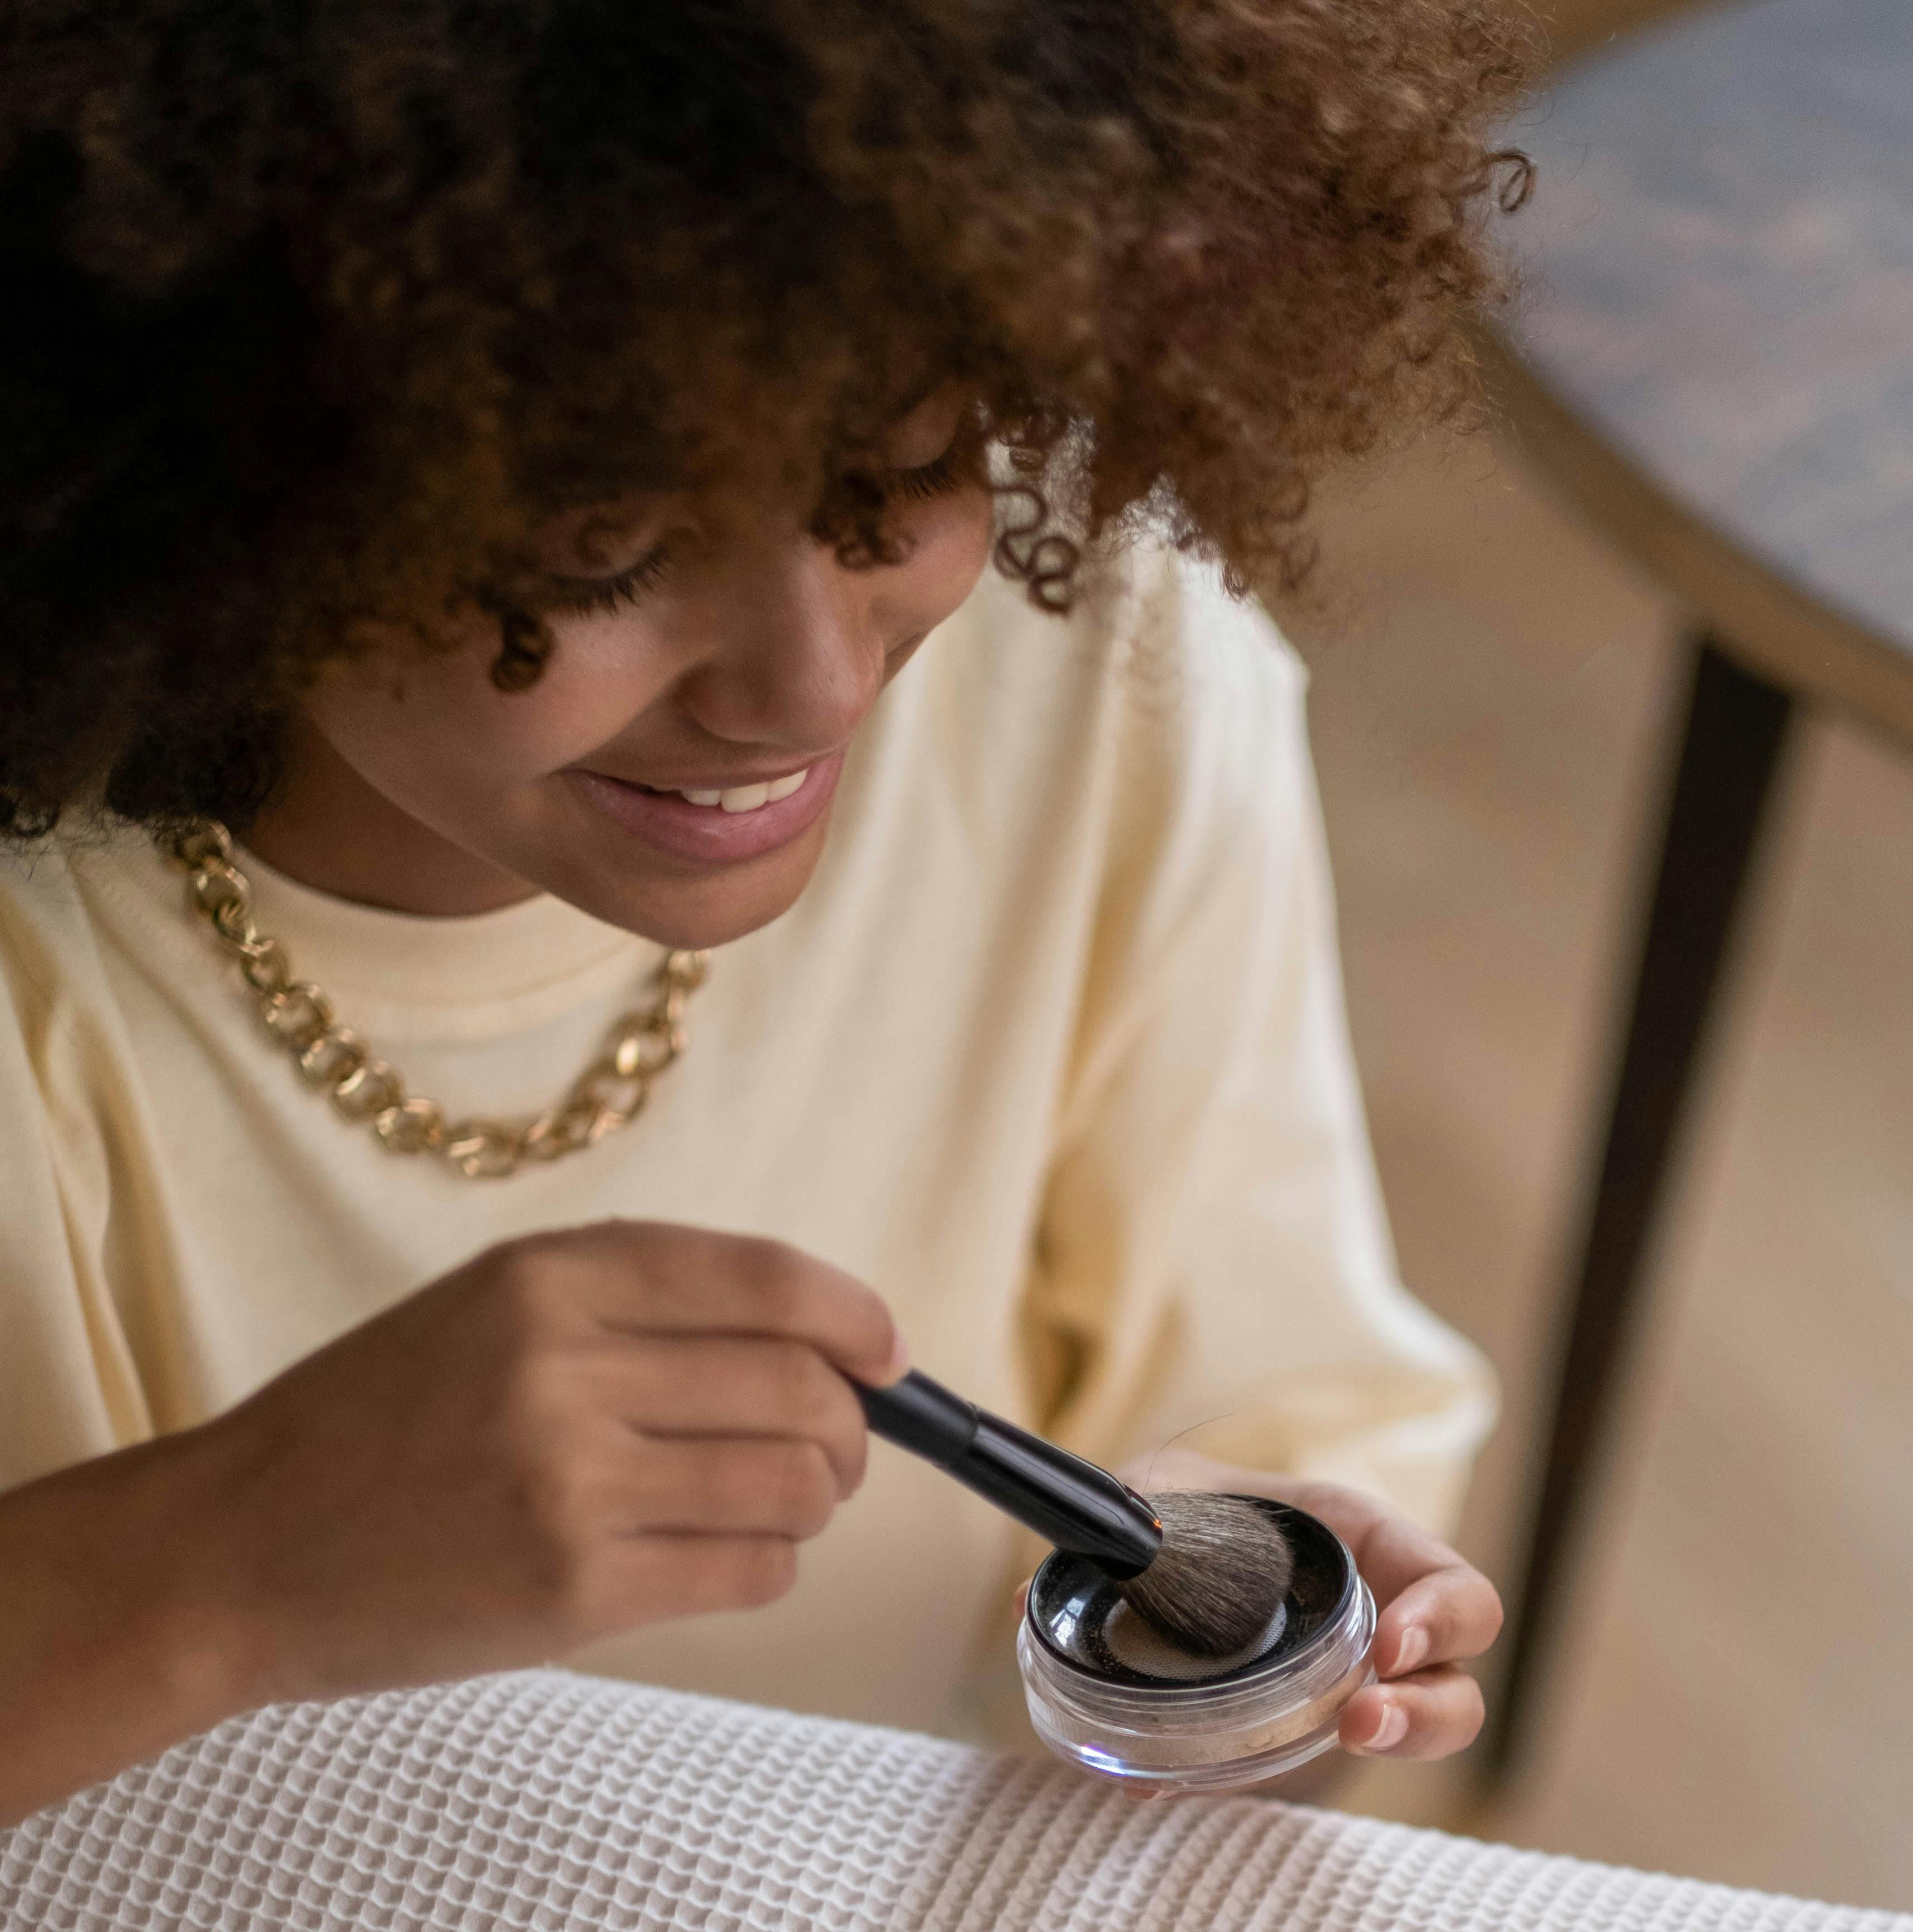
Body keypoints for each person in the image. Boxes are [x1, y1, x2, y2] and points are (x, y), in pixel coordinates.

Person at [0, 0, 1530, 1827]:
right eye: (602, 553)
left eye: (891, 475)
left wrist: (1234, 1611)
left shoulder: (1088, 678)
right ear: (209, 474)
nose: (810, 691)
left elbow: (1278, 1379)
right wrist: (226, 1557)